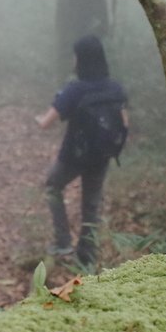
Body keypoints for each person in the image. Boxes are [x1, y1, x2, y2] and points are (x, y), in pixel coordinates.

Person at [35, 35, 129, 269]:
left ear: (80, 59)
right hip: (102, 156)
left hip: (73, 156)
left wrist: (39, 118)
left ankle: (63, 241)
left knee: (52, 186)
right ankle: (86, 257)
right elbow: (125, 123)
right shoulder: (115, 88)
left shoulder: (74, 89)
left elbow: (46, 123)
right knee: (91, 205)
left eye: (75, 55)